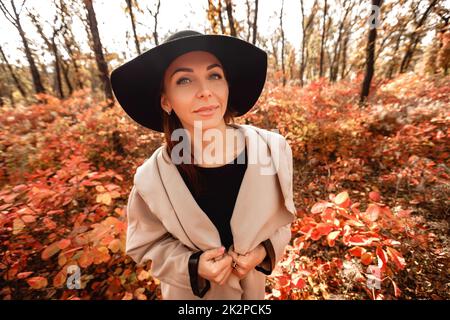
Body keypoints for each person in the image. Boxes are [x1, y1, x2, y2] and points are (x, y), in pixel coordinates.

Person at [110, 30, 296, 300]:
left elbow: (282, 221)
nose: (205, 91)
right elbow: (147, 246)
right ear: (166, 101)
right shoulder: (152, 177)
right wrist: (193, 266)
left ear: (227, 86)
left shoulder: (272, 150)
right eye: (185, 80)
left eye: (214, 76)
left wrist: (262, 252)